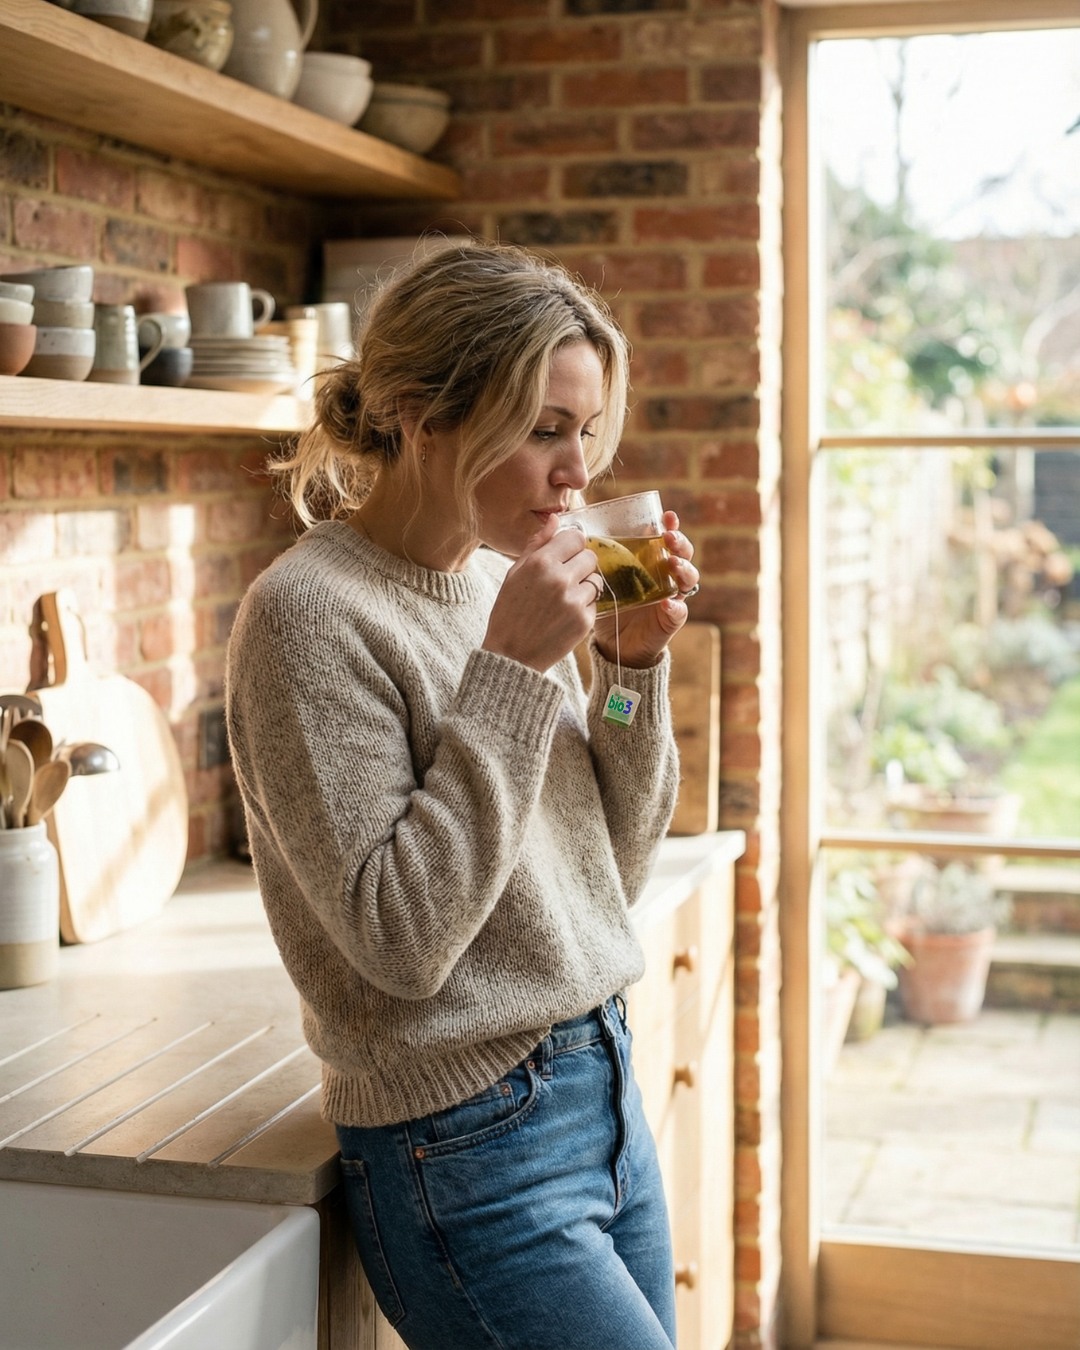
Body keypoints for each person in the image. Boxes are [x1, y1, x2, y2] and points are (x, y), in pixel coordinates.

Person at [225, 239, 700, 1350]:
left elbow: (610, 871)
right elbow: (402, 941)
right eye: (542, 428)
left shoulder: (502, 582)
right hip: (468, 1146)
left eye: (586, 430)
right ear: (417, 417)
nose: (577, 472)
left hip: (604, 1094)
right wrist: (514, 671)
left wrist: (628, 668)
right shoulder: (308, 616)